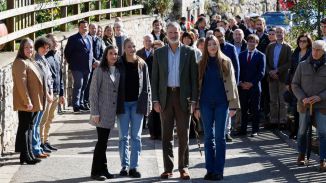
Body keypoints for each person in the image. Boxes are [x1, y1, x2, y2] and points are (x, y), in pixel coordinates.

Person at [151, 22, 198, 180]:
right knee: (166, 135)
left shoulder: (189, 52)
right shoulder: (159, 53)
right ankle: (168, 168)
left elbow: (194, 79)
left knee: (184, 134)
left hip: (183, 97)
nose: (173, 35)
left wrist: (194, 101)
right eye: (170, 32)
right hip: (165, 97)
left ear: (180, 32)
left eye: (176, 32)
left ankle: (183, 167)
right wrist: (155, 100)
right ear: (166, 34)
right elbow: (155, 78)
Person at [195, 35, 240, 181]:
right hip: (205, 104)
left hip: (222, 104)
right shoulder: (200, 63)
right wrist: (196, 106)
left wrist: (233, 106)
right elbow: (196, 87)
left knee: (220, 138)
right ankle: (210, 169)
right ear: (205, 47)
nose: (212, 47)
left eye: (214, 44)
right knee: (208, 138)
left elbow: (233, 85)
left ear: (218, 45)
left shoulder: (226, 61)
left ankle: (219, 170)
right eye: (209, 45)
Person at [116, 38, 152, 178]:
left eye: (134, 46)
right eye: (129, 47)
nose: (132, 49)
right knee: (123, 137)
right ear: (124, 48)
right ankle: (124, 166)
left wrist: (147, 106)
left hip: (137, 104)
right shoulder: (118, 63)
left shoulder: (142, 64)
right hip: (123, 104)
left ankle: (134, 167)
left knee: (136, 137)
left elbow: (147, 87)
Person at [292, 40, 326, 172]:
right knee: (302, 131)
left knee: (323, 133)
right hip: (304, 105)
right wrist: (303, 98)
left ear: (324, 51)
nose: (315, 52)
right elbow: (294, 84)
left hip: (322, 106)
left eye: (318, 50)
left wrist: (320, 97)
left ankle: (323, 160)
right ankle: (301, 154)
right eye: (313, 49)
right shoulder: (302, 65)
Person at [89, 46, 120, 181]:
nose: (113, 56)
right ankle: (96, 171)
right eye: (111, 54)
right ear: (106, 55)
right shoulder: (99, 71)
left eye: (116, 54)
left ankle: (104, 169)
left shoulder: (118, 70)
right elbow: (93, 93)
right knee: (101, 142)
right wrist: (95, 112)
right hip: (101, 112)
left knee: (104, 142)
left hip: (111, 112)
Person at [12, 38, 43, 165]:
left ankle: (29, 153)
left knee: (30, 127)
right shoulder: (20, 62)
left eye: (31, 47)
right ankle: (25, 156)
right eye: (26, 47)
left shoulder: (29, 61)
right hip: (26, 102)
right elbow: (21, 84)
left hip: (32, 101)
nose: (29, 50)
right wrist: (27, 101)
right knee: (25, 127)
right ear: (21, 49)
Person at [213, 27, 240, 142]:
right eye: (217, 36)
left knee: (228, 109)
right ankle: (216, 132)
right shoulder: (211, 47)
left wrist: (236, 84)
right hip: (215, 83)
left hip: (228, 83)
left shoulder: (230, 48)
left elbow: (236, 66)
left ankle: (226, 132)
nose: (220, 38)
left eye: (221, 36)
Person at [40, 34, 65, 152]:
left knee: (50, 118)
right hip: (48, 94)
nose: (55, 43)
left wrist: (61, 93)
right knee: (43, 120)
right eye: (53, 41)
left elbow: (60, 75)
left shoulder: (57, 56)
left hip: (56, 93)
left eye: (56, 41)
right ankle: (40, 142)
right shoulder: (45, 57)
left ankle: (46, 140)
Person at [237, 34, 266, 137]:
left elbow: (261, 72)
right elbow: (238, 70)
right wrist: (240, 82)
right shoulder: (241, 55)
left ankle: (255, 130)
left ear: (257, 44)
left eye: (253, 41)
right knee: (243, 109)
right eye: (249, 41)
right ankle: (243, 129)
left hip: (254, 87)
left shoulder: (261, 55)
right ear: (247, 42)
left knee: (255, 109)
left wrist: (252, 83)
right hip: (243, 86)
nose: (251, 43)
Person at [285, 33, 312, 139]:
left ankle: (304, 133)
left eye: (304, 41)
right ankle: (295, 131)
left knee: (304, 108)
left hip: (306, 83)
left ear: (309, 42)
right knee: (296, 109)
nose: (302, 43)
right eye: (300, 41)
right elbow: (290, 68)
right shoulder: (296, 52)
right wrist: (287, 82)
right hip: (294, 83)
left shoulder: (311, 52)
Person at [265, 27, 292, 129]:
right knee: (273, 100)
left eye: (281, 32)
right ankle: (274, 120)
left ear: (284, 33)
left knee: (282, 100)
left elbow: (289, 63)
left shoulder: (288, 47)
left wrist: (278, 71)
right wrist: (270, 72)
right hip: (271, 77)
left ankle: (283, 121)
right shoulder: (270, 46)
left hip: (282, 77)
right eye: (277, 32)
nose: (279, 34)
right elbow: (266, 61)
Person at [64, 20, 93, 113]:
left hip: (87, 67)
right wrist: (71, 63)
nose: (84, 28)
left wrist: (93, 61)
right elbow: (67, 52)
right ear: (79, 28)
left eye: (86, 26)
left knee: (84, 85)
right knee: (78, 84)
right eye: (82, 27)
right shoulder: (73, 38)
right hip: (77, 67)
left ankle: (81, 103)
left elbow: (90, 52)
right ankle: (75, 105)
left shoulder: (89, 38)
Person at [136, 34, 160, 136]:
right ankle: (143, 125)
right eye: (146, 41)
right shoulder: (139, 53)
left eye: (150, 41)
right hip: (142, 82)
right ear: (143, 42)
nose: (148, 42)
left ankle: (154, 131)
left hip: (154, 81)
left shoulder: (157, 52)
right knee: (143, 104)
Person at [33, 37, 53, 158]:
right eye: (44, 47)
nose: (46, 50)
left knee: (39, 122)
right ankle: (36, 148)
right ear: (38, 47)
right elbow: (41, 81)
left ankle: (38, 148)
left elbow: (49, 78)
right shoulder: (36, 60)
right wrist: (49, 94)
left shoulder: (43, 59)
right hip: (41, 96)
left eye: (47, 48)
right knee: (36, 123)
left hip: (46, 95)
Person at [84, 23, 104, 110]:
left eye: (95, 28)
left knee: (97, 85)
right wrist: (93, 61)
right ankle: (85, 101)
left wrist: (99, 61)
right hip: (88, 65)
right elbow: (86, 52)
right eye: (92, 28)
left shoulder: (100, 40)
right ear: (89, 29)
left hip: (98, 66)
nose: (94, 30)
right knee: (87, 85)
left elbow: (103, 52)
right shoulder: (86, 38)